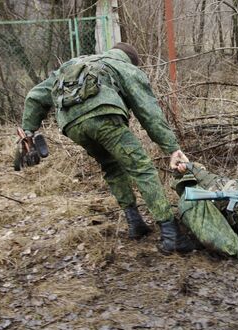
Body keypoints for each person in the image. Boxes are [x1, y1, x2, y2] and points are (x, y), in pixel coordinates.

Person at [20, 42, 195, 253]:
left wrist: (28, 132)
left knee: (111, 167)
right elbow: (148, 111)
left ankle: (135, 224)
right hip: (104, 118)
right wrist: (171, 148)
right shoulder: (124, 67)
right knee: (141, 168)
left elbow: (34, 97)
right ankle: (171, 234)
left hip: (71, 125)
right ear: (130, 60)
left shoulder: (75, 64)